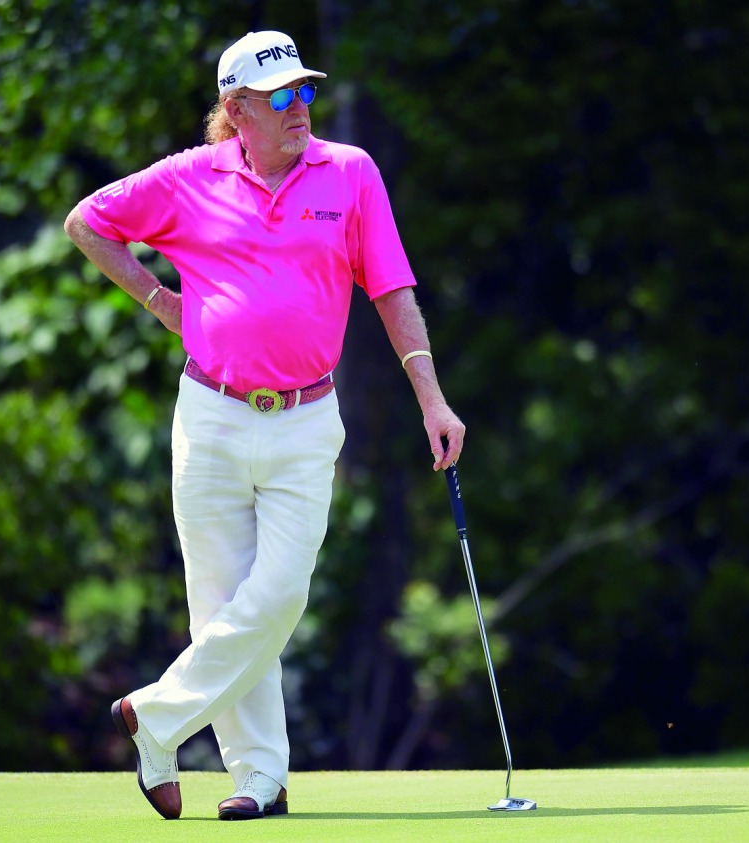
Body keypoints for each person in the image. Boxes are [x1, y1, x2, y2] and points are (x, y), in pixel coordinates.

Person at [63, 30, 465, 821]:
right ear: (236, 110)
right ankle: (259, 778)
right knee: (220, 607)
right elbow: (87, 223)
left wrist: (432, 398)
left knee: (277, 595)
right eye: (281, 97)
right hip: (210, 415)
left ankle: (156, 716)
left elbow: (391, 287)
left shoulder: (349, 173)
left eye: (305, 91)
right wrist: (160, 302)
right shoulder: (188, 178)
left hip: (305, 421)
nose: (300, 108)